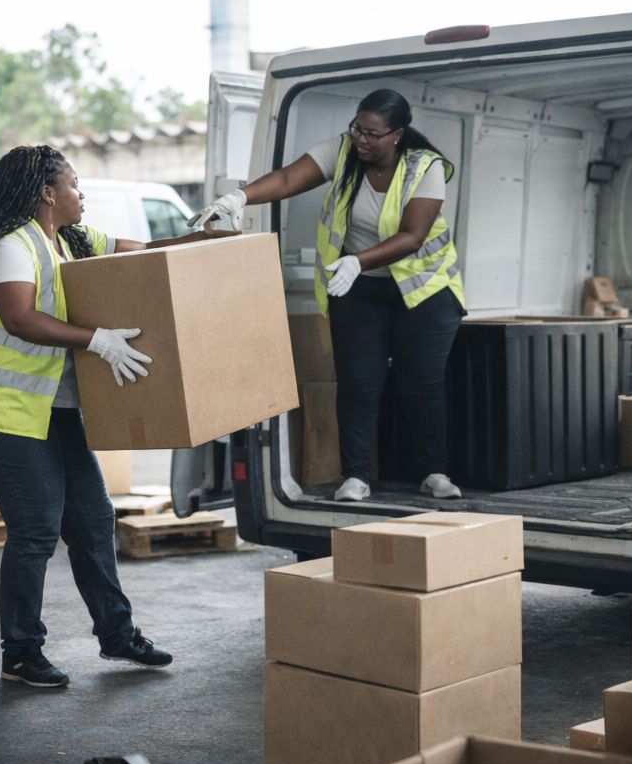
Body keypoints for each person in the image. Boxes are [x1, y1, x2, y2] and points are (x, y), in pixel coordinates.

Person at [0, 144, 173, 688]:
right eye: (74, 184)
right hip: (2, 410)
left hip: (53, 407)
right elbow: (20, 318)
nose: (82, 194)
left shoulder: (70, 239)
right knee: (36, 530)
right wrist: (95, 340)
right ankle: (21, 653)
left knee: (94, 520)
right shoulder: (12, 247)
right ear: (48, 193)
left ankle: (117, 636)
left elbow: (141, 252)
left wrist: (209, 241)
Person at [190, 88, 465, 502]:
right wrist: (238, 197)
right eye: (357, 128)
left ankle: (433, 472)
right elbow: (286, 179)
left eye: (373, 134)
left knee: (420, 384)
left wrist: (358, 260)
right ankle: (355, 477)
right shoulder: (342, 151)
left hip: (424, 289)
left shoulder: (422, 167)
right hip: (357, 288)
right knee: (358, 383)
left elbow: (412, 236)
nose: (361, 139)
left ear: (397, 135)